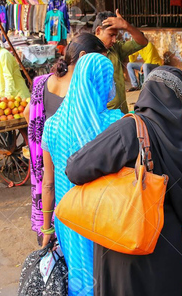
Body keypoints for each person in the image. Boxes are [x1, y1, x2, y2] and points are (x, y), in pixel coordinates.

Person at [64, 66, 182, 296]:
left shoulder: (131, 128)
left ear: (146, 91)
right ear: (179, 97)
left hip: (126, 237)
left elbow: (75, 169)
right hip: (166, 244)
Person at [40, 53, 123, 296]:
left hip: (68, 219)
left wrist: (47, 229)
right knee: (108, 278)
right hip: (107, 218)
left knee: (80, 276)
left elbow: (48, 184)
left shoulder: (52, 125)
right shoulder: (115, 123)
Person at [24, 33, 107, 245]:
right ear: (83, 57)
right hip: (75, 156)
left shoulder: (43, 82)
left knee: (52, 191)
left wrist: (45, 139)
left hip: (49, 151)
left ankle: (48, 230)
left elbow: (28, 114)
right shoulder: (84, 89)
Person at [93, 10, 148, 114]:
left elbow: (142, 42)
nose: (114, 40)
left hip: (121, 112)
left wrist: (126, 26)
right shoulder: (86, 54)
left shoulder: (115, 48)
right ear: (98, 30)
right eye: (111, 35)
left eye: (116, 36)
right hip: (102, 117)